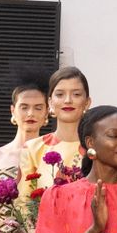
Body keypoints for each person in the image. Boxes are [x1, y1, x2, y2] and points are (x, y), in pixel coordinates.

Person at [21, 65, 93, 193]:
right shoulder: (33, 149)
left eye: (76, 94)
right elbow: (24, 201)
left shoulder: (100, 149)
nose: (68, 100)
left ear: (87, 102)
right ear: (50, 102)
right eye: (60, 94)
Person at [0, 76, 48, 193]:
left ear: (46, 112)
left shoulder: (55, 157)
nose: (30, 113)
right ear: (13, 111)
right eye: (24, 107)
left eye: (38, 108)